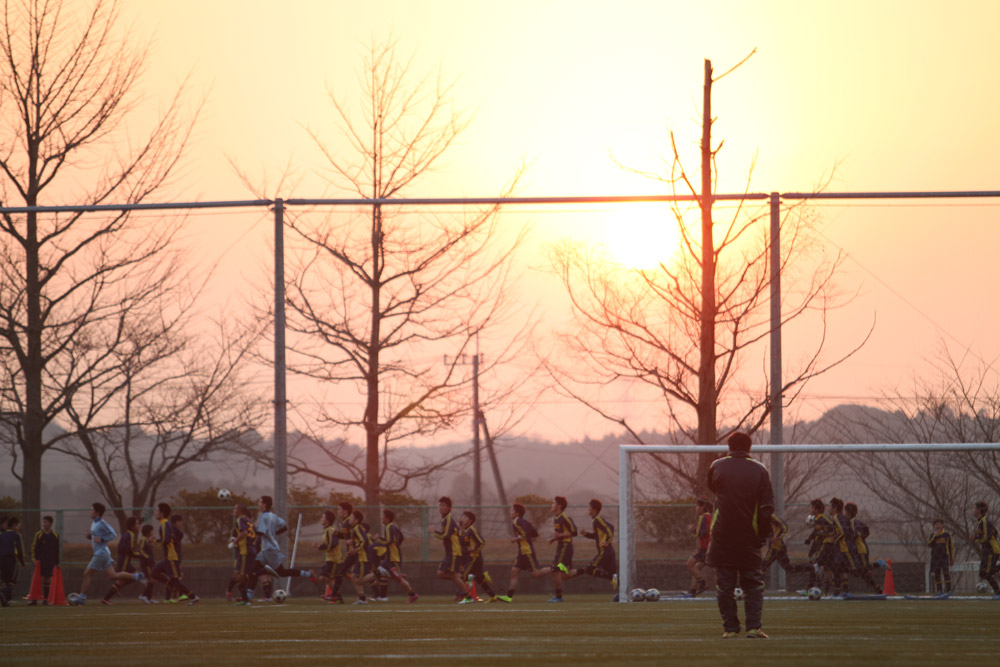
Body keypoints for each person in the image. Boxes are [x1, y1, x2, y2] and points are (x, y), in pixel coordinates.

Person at [706, 431, 774, 639]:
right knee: (753, 584)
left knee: (724, 585)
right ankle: (753, 628)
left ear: (729, 447)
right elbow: (766, 507)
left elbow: (712, 487)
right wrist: (762, 535)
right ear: (749, 448)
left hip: (722, 536)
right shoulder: (760, 470)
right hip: (748, 537)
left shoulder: (716, 466)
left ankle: (730, 629)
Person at [71, 503, 144, 605]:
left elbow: (113, 534)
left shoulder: (101, 523)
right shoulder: (94, 523)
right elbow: (96, 538)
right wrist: (89, 537)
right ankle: (136, 576)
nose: (90, 511)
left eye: (92, 510)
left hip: (101, 554)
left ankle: (82, 598)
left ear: (97, 512)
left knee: (87, 574)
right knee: (113, 576)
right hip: (102, 553)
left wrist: (102, 539)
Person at [253, 495, 318, 591]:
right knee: (255, 569)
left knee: (279, 572)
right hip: (267, 549)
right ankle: (250, 596)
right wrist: (273, 534)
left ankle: (308, 574)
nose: (258, 504)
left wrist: (250, 529)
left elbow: (261, 532)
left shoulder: (263, 516)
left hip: (268, 549)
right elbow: (285, 527)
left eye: (260, 502)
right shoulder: (273, 516)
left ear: (264, 504)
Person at [495, 503, 547, 602]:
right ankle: (509, 597)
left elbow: (524, 534)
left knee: (536, 574)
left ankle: (556, 567)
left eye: (511, 511)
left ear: (517, 513)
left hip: (527, 551)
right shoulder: (523, 521)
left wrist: (515, 539)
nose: (510, 512)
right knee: (514, 572)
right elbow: (534, 533)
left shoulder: (517, 522)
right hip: (522, 552)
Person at [563, 498, 617, 590]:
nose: (588, 509)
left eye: (589, 507)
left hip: (604, 551)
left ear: (594, 509)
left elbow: (610, 528)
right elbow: (595, 536)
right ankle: (623, 594)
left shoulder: (598, 519)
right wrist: (585, 534)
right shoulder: (595, 520)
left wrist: (608, 541)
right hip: (608, 551)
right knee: (613, 575)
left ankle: (613, 579)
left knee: (589, 569)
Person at [429, 496, 472, 603]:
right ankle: (465, 589)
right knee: (445, 574)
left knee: (445, 574)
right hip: (450, 552)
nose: (440, 507)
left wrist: (433, 532)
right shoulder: (445, 519)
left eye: (443, 505)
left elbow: (445, 535)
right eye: (439, 505)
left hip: (454, 552)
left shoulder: (448, 519)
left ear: (449, 508)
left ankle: (467, 596)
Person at [373, 508, 419, 603]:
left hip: (394, 558)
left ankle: (412, 594)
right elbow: (401, 537)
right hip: (389, 558)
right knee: (379, 572)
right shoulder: (393, 527)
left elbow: (388, 541)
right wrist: (396, 545)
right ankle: (381, 596)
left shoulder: (389, 527)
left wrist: (378, 539)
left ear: (387, 518)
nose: (381, 517)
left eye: (383, 516)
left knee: (399, 579)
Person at [541, 495, 577, 602]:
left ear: (559, 506)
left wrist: (559, 536)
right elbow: (561, 534)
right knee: (564, 574)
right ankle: (585, 570)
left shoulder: (565, 518)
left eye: (553, 503)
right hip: (561, 547)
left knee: (555, 570)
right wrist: (553, 539)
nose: (551, 505)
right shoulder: (555, 518)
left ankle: (558, 597)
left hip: (566, 547)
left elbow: (574, 532)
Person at [760, 514, 812, 589]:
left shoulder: (771, 516)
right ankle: (759, 585)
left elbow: (784, 526)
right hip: (773, 548)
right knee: (763, 565)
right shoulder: (760, 519)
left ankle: (811, 568)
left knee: (789, 569)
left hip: (779, 548)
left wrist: (777, 537)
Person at [458, 510, 497, 602]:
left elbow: (482, 542)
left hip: (474, 558)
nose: (462, 519)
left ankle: (467, 598)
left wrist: (474, 548)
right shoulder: (465, 531)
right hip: (471, 558)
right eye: (462, 517)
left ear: (470, 521)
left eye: (465, 517)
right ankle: (493, 596)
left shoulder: (472, 530)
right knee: (480, 580)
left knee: (462, 576)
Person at [101, 516, 140, 604]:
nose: (139, 525)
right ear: (132, 525)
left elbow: (121, 547)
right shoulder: (131, 534)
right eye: (137, 523)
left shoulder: (127, 534)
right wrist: (139, 555)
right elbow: (129, 550)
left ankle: (116, 587)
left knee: (135, 574)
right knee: (124, 579)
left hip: (125, 560)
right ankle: (106, 598)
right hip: (125, 562)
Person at [844, 502, 882, 593]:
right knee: (859, 572)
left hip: (860, 550)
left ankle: (879, 564)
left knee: (863, 570)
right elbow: (866, 530)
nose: (844, 513)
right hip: (856, 550)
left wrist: (857, 536)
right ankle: (877, 588)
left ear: (848, 512)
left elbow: (856, 533)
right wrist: (862, 536)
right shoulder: (854, 522)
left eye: (845, 511)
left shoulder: (852, 522)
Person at [228, 503, 256, 605]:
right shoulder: (249, 520)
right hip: (247, 550)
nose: (234, 511)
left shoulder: (240, 520)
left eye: (235, 509)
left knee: (241, 576)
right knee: (237, 575)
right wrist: (236, 539)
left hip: (246, 552)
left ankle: (245, 600)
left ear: (240, 510)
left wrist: (234, 543)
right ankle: (244, 599)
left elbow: (244, 533)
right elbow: (250, 535)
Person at [971, 500, 1000, 596]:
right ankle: (998, 592)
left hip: (991, 550)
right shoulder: (981, 522)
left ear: (979, 510)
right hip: (987, 550)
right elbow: (994, 532)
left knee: (984, 573)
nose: (973, 510)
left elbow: (985, 538)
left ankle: (998, 592)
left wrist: (975, 538)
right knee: (987, 572)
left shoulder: (984, 521)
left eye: (974, 508)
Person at [29, 515, 60, 605]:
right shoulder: (38, 534)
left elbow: (56, 550)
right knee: (37, 580)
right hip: (39, 562)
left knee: (47, 579)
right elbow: (33, 548)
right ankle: (34, 600)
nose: (44, 524)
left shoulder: (55, 535)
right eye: (43, 522)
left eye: (46, 522)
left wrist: (57, 562)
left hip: (49, 561)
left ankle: (46, 599)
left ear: (50, 523)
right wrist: (34, 559)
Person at [686, 498, 713, 597]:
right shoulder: (711, 516)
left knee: (689, 564)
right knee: (696, 568)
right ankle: (692, 591)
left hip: (704, 548)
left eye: (697, 506)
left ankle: (702, 583)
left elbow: (702, 533)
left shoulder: (703, 517)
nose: (695, 508)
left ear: (702, 507)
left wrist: (692, 530)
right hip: (711, 547)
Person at [0, 516, 25, 607]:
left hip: (1, 559)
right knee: (12, 581)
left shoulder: (1, 535)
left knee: (5, 581)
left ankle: (5, 601)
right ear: (14, 525)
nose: (18, 527)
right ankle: (2, 593)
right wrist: (22, 562)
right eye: (17, 525)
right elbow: (20, 550)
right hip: (12, 559)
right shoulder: (16, 535)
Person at [927, 518, 954, 594]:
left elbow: (950, 547)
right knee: (937, 574)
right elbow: (929, 544)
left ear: (943, 525)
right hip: (935, 558)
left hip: (944, 558)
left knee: (946, 573)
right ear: (934, 526)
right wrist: (935, 536)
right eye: (936, 525)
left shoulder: (946, 535)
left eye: (939, 524)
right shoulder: (932, 535)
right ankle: (939, 590)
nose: (938, 526)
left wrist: (951, 558)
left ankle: (949, 590)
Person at [136, 524, 157, 603]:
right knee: (151, 579)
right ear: (148, 532)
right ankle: (144, 595)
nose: (153, 532)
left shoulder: (147, 540)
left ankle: (148, 597)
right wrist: (148, 557)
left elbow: (150, 548)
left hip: (150, 563)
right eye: (152, 531)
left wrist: (152, 542)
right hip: (146, 564)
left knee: (152, 580)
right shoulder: (143, 539)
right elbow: (141, 550)